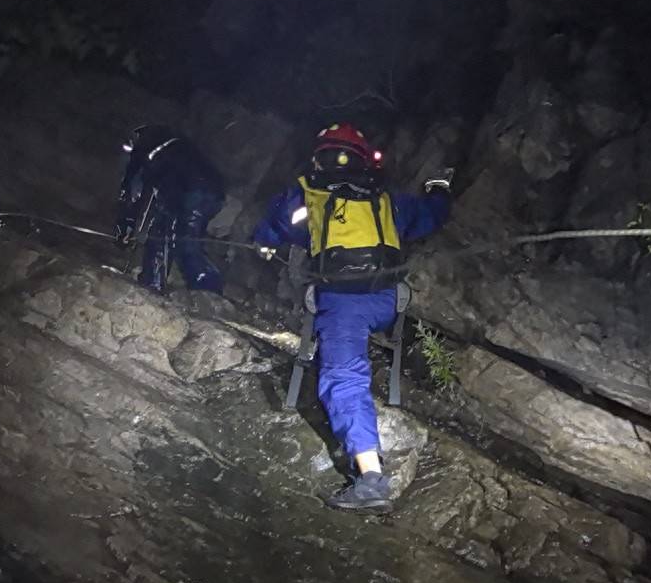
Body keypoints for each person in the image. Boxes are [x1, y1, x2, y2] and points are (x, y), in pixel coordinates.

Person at [253, 123, 452, 511]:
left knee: (343, 378)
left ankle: (372, 480)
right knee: (351, 350)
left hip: (343, 304)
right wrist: (439, 191)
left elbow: (275, 229)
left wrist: (264, 245)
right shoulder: (387, 198)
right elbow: (430, 217)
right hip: (388, 302)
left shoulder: (306, 195)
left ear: (319, 157)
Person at [113, 125, 225, 293]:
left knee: (178, 237)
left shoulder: (150, 153)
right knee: (170, 233)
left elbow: (135, 191)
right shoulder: (172, 145)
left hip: (193, 191)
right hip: (207, 190)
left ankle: (206, 291)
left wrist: (126, 225)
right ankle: (154, 280)